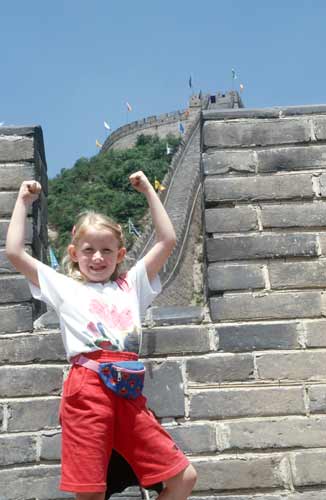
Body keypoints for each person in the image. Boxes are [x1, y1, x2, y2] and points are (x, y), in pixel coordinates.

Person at [6, 171, 197, 500]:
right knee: (91, 492)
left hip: (128, 392)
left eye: (107, 250)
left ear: (120, 255)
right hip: (87, 389)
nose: (98, 257)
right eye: (89, 249)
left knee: (184, 477)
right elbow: (15, 254)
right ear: (74, 253)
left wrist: (150, 191)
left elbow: (167, 241)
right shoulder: (63, 286)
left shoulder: (131, 284)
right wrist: (23, 202)